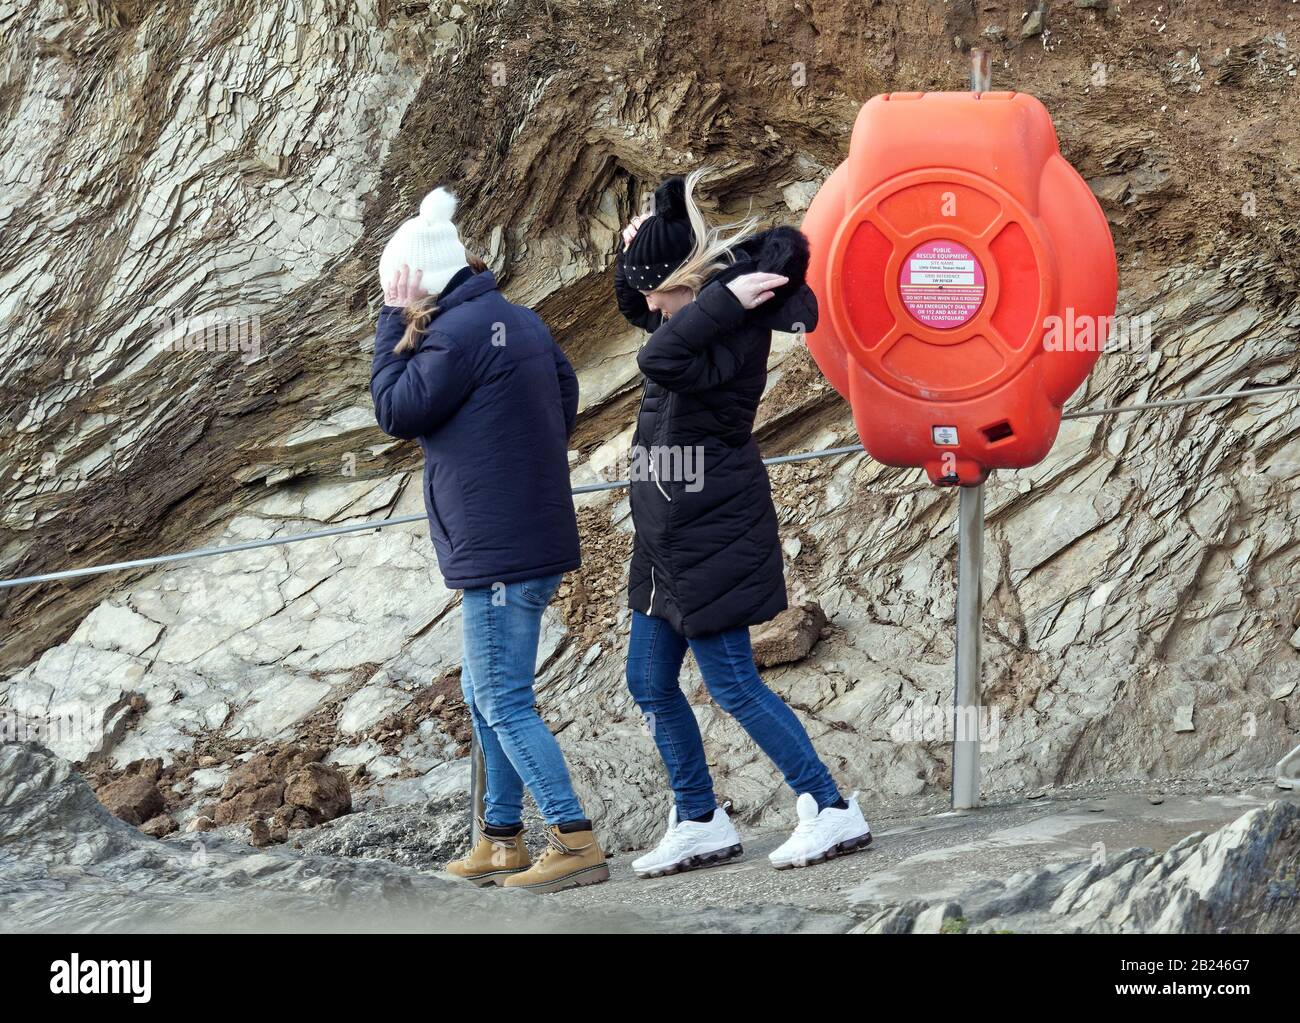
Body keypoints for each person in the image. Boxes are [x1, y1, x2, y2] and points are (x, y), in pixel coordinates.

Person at [614, 171, 871, 876]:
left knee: (732, 683)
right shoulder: (692, 314)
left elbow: (658, 356)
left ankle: (831, 805)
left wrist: (723, 299)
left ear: (693, 289)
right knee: (649, 679)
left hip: (711, 532)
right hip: (663, 538)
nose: (647, 306)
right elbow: (650, 314)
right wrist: (638, 239)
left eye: (658, 291)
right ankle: (699, 817)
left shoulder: (734, 330)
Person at [371, 187, 607, 893]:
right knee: (482, 690)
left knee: (503, 697)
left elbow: (394, 408)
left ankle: (573, 837)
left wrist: (390, 322)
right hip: (524, 533)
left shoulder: (456, 333)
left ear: (418, 283)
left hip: (500, 546)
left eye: (397, 288)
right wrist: (520, 453)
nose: (396, 300)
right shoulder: (518, 320)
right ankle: (501, 839)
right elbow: (565, 395)